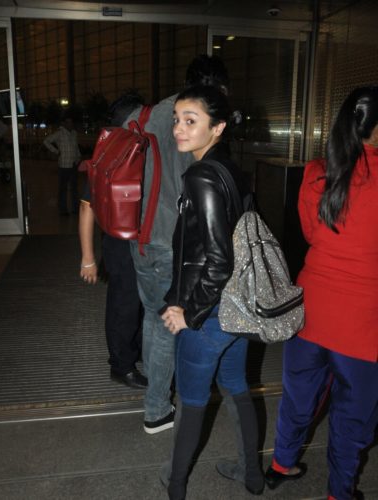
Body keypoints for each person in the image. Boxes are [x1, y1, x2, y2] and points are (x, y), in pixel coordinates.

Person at [264, 87, 378, 500]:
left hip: (309, 313)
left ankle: (280, 464)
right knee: (353, 416)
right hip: (363, 326)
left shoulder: (317, 172)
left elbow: (313, 234)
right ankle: (339, 492)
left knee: (298, 395)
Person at [160, 85, 265, 499]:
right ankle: (251, 474)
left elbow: (219, 258)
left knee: (191, 399)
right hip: (237, 308)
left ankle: (176, 486)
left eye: (191, 121)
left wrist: (189, 311)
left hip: (209, 313)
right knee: (237, 385)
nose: (179, 129)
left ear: (217, 127)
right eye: (177, 120)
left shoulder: (201, 175)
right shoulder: (231, 170)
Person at [126, 55, 231, 434]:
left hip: (141, 237)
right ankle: (158, 408)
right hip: (175, 243)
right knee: (171, 324)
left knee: (155, 321)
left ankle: (158, 401)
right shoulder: (198, 121)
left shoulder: (149, 114)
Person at [79, 91, 146, 389]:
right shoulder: (113, 153)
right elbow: (86, 206)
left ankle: (135, 352)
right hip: (120, 243)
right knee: (124, 305)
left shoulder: (121, 148)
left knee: (136, 303)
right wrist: (88, 258)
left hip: (132, 241)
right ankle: (121, 365)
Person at [43, 115, 81, 215]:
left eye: (71, 122)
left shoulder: (74, 133)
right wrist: (56, 151)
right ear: (64, 123)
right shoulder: (59, 133)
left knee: (74, 188)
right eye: (68, 122)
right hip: (64, 165)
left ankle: (75, 209)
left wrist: (78, 157)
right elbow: (46, 141)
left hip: (73, 164)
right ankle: (63, 209)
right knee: (63, 189)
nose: (70, 124)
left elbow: (76, 147)